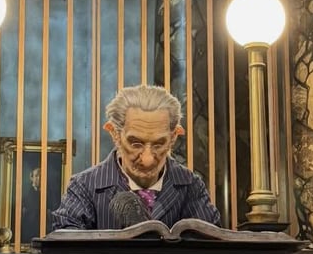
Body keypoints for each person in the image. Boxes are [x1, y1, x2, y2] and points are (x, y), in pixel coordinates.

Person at [51, 84, 219, 230]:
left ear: (174, 136)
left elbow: (212, 248)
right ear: (114, 133)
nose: (147, 160)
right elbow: (65, 248)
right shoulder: (84, 186)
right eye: (135, 143)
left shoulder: (191, 186)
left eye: (159, 144)